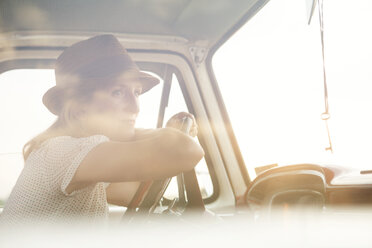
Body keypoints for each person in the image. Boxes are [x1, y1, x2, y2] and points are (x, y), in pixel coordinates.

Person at [0, 34, 204, 225]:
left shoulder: (88, 164)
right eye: (117, 92)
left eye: (136, 92)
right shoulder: (60, 152)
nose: (135, 107)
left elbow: (136, 194)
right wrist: (171, 134)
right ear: (79, 108)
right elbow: (186, 151)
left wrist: (169, 133)